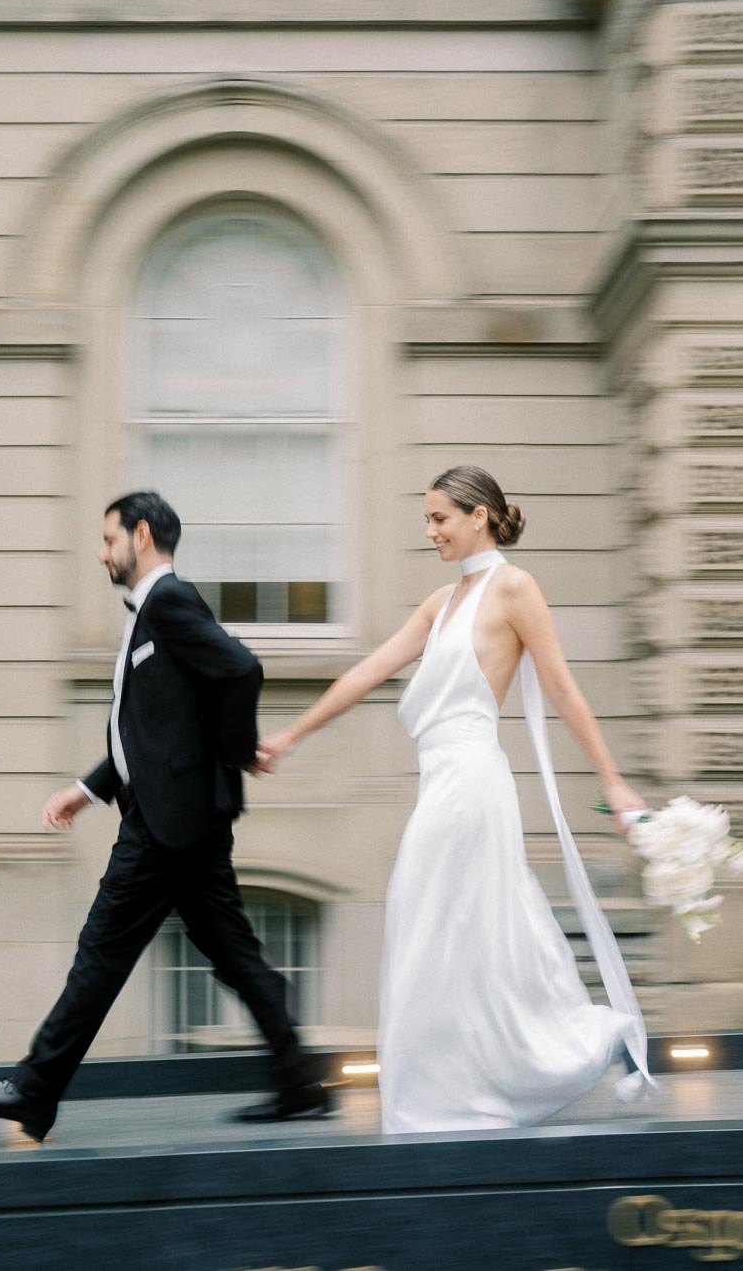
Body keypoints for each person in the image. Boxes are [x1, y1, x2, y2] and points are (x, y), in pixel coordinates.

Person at [257, 465, 654, 1133]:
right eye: (428, 519)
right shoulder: (439, 605)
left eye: (440, 517)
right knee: (450, 934)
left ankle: (492, 1079)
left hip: (471, 785)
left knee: (439, 930)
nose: (430, 530)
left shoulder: (515, 588)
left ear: (481, 516)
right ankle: (463, 1087)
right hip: (442, 782)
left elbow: (562, 689)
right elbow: (367, 670)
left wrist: (613, 783)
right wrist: (290, 735)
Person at [0, 491, 329, 1141]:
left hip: (165, 824)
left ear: (142, 536)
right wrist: (88, 787)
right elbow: (156, 731)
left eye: (108, 539)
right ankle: (300, 1083)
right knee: (235, 954)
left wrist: (238, 754)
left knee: (101, 951)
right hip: (181, 818)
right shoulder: (152, 612)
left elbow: (242, 669)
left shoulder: (170, 601)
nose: (102, 553)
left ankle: (34, 1090)